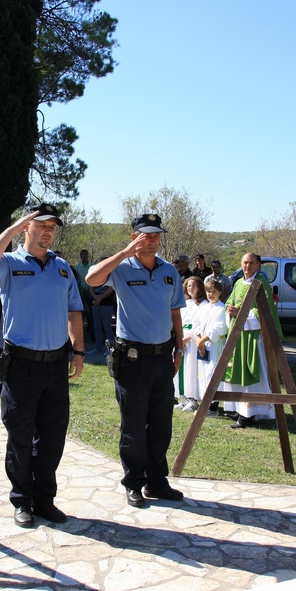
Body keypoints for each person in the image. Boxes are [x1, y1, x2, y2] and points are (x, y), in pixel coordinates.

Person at [0, 203, 84, 528]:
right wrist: (11, 228)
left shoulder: (63, 268)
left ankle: (44, 499)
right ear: (27, 228)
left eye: (53, 227)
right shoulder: (9, 263)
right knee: (21, 435)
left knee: (52, 437)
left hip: (55, 366)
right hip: (21, 367)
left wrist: (78, 351)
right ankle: (22, 500)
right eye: (41, 225)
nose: (48, 231)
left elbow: (74, 312)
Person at [85, 213, 186, 508]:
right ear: (134, 237)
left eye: (156, 236)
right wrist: (125, 254)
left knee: (160, 424)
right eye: (146, 236)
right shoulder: (122, 267)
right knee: (133, 425)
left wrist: (179, 349)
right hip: (131, 358)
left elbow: (176, 312)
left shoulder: (169, 271)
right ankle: (134, 483)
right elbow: (92, 278)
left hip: (161, 358)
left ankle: (156, 481)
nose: (152, 241)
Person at [221, 252, 283, 428]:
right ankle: (239, 410)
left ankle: (250, 412)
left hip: (254, 336)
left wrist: (239, 313)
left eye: (251, 263)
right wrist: (230, 309)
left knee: (253, 371)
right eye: (244, 263)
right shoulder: (239, 283)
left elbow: (265, 311)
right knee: (236, 372)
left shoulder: (261, 284)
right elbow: (229, 304)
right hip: (238, 335)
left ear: (258, 266)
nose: (247, 266)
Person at [194, 278, 228, 417]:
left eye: (214, 292)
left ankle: (213, 407)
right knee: (202, 375)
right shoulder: (205, 307)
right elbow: (196, 324)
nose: (211, 294)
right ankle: (204, 403)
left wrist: (202, 341)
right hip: (202, 345)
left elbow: (220, 328)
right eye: (208, 292)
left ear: (220, 292)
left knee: (212, 374)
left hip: (214, 345)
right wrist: (198, 340)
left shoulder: (222, 308)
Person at [178, 276, 207, 413]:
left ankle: (194, 399)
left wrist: (188, 338)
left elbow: (200, 325)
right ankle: (186, 397)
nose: (190, 289)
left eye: (193, 286)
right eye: (188, 286)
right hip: (184, 339)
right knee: (184, 369)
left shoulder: (204, 305)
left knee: (193, 369)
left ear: (200, 288)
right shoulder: (187, 303)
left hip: (194, 340)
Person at [88, 259, 116, 355]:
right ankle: (97, 347)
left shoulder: (111, 273)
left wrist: (101, 298)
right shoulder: (95, 272)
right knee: (97, 327)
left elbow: (111, 289)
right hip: (96, 304)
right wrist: (95, 297)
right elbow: (90, 287)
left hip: (107, 304)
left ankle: (109, 348)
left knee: (107, 327)